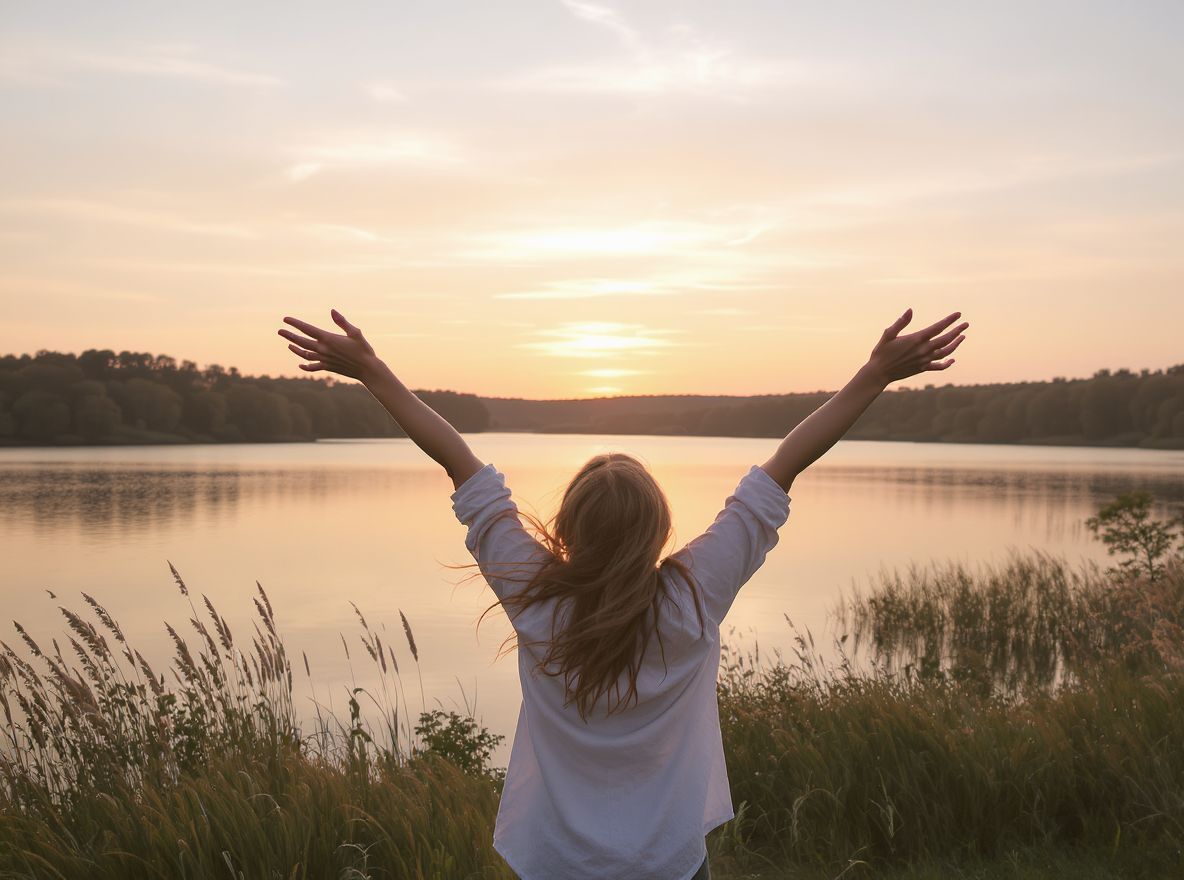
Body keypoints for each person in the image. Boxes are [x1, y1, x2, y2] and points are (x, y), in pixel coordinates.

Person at [278, 307, 968, 880]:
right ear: (660, 528)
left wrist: (373, 372)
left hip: (552, 861)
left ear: (570, 530)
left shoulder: (536, 599)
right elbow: (783, 466)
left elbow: (459, 462)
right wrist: (873, 376)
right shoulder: (693, 598)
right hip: (667, 861)